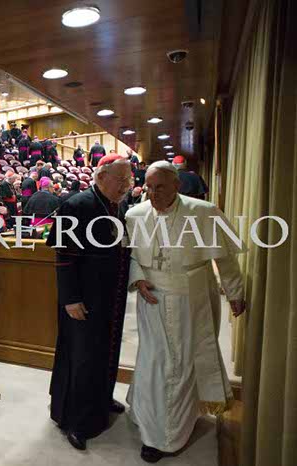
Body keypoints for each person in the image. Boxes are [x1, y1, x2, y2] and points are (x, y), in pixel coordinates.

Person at [125, 161, 245, 463]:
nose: (152, 193)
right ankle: (153, 426)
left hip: (192, 299)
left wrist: (235, 292)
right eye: (149, 187)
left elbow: (225, 259)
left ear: (177, 185)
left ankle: (171, 432)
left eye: (160, 187)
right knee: (154, 361)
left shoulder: (203, 212)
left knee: (181, 364)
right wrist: (137, 279)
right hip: (151, 300)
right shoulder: (134, 214)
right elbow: (131, 256)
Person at [46, 154, 133, 451]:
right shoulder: (76, 205)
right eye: (121, 179)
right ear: (102, 177)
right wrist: (70, 298)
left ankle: (102, 399)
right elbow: (63, 256)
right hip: (82, 299)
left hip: (110, 296)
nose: (126, 185)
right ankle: (77, 420)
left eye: (129, 179)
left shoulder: (117, 205)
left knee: (107, 350)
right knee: (82, 358)